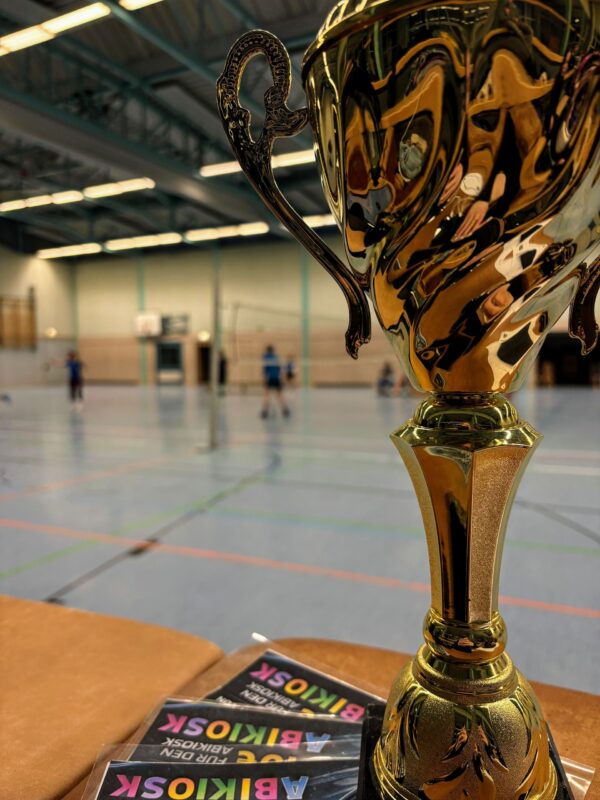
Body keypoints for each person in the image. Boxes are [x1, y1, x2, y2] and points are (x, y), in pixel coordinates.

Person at [261, 345, 289, 418]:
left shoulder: (265, 358)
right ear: (273, 351)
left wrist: (264, 380)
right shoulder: (276, 357)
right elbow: (280, 369)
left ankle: (264, 412)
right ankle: (285, 410)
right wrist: (282, 379)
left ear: (267, 351)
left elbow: (264, 370)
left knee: (266, 395)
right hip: (277, 379)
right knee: (279, 395)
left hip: (270, 378)